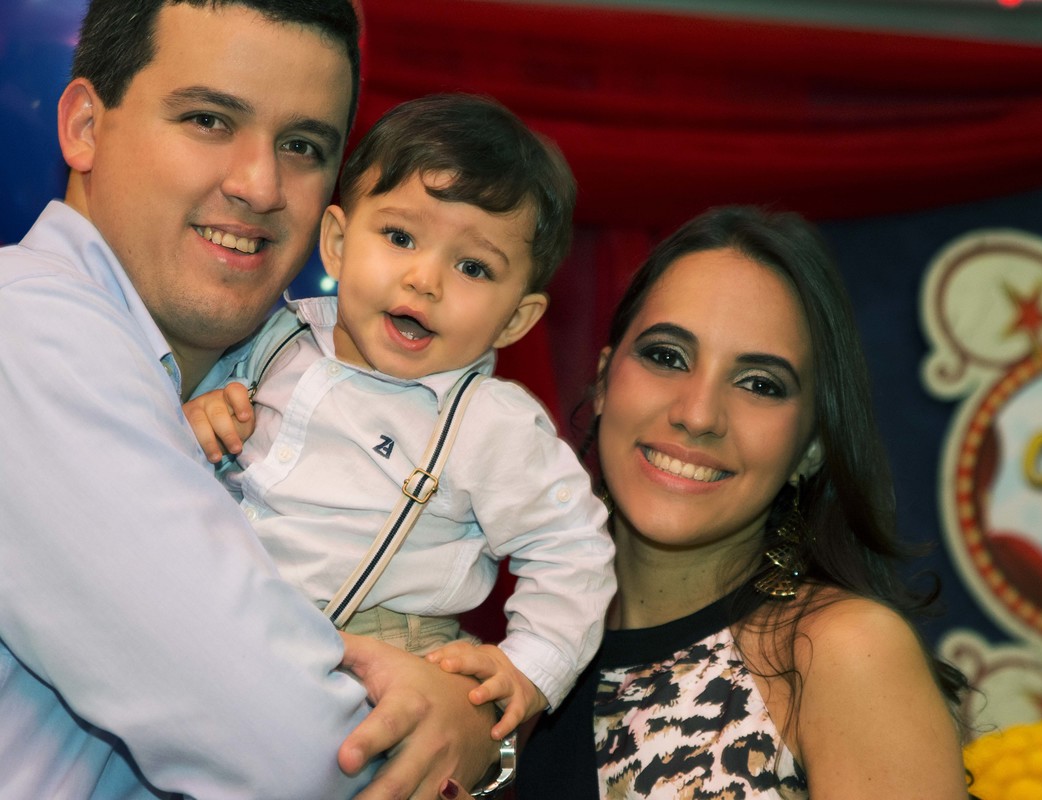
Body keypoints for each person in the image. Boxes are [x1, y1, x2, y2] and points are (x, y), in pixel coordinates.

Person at [0, 2, 497, 798]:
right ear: (86, 127)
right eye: (208, 120)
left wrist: (457, 722)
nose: (261, 186)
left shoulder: (279, 389)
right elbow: (297, 758)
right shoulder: (26, 330)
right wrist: (454, 733)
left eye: (302, 146)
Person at [184, 93, 616, 741]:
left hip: (374, 672)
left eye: (472, 267)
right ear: (337, 243)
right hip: (217, 634)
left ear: (516, 319)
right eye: (400, 237)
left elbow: (572, 548)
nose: (425, 279)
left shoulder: (491, 424)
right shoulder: (270, 341)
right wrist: (199, 420)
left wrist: (531, 665)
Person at [515, 206, 974, 799]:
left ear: (811, 446)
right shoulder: (533, 647)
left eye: (759, 384)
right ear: (604, 381)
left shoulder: (839, 652)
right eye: (666, 356)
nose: (698, 414)